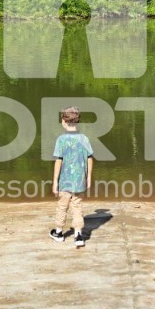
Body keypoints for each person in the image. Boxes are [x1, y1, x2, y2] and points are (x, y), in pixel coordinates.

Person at [50, 106, 94, 247]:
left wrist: (55, 181)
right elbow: (90, 158)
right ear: (78, 121)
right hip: (79, 180)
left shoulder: (61, 140)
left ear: (63, 121)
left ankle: (58, 232)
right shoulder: (84, 138)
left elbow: (59, 161)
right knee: (77, 206)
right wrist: (89, 177)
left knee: (62, 206)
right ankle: (78, 235)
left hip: (65, 181)